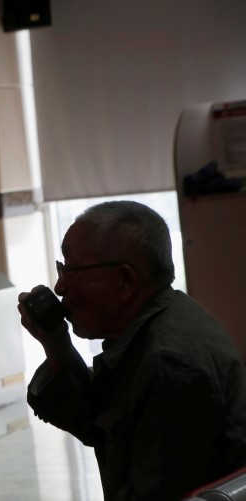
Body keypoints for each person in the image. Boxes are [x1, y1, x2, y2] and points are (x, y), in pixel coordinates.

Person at [18, 200, 246, 500]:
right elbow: (98, 422)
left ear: (124, 281)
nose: (59, 288)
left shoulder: (169, 362)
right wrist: (56, 343)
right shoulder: (159, 324)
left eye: (70, 269)